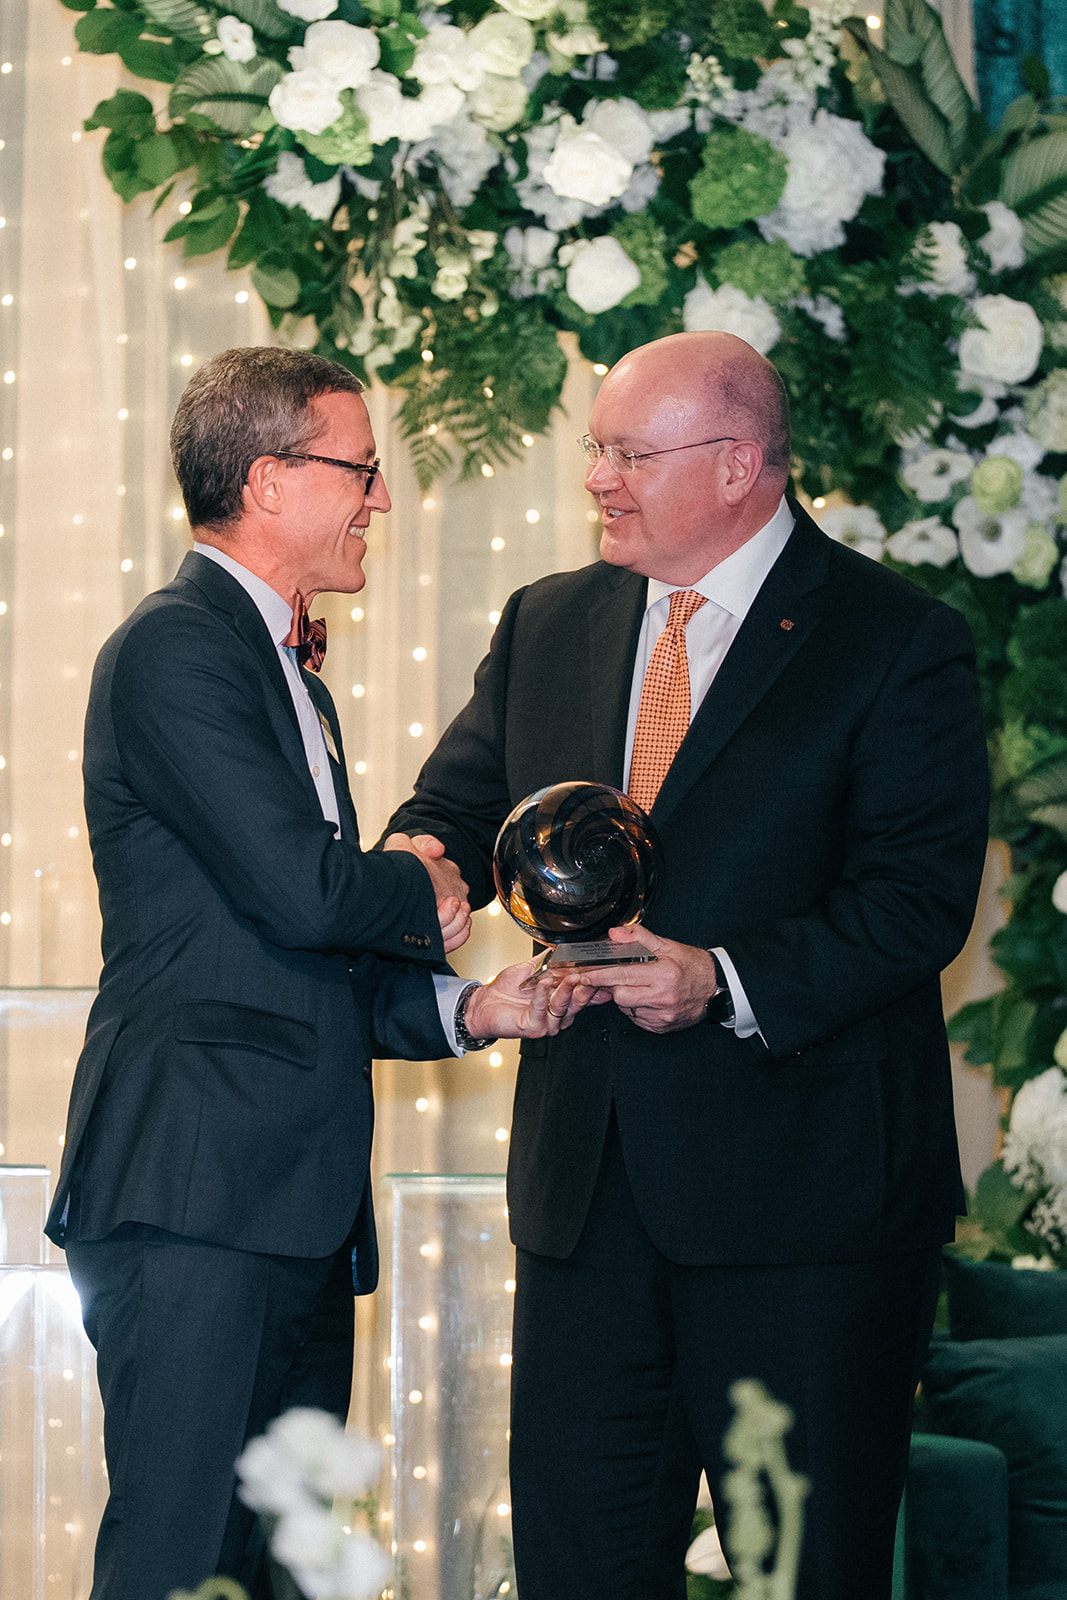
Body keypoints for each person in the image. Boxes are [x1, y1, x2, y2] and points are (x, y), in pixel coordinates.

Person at [383, 330, 991, 1599]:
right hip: (585, 1202)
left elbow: (914, 900)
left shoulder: (894, 639)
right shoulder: (547, 619)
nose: (596, 478)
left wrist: (720, 977)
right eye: (593, 448)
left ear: (737, 465)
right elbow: (450, 802)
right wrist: (416, 866)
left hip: (805, 1217)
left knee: (801, 1573)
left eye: (626, 453)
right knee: (576, 1568)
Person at [44, 346, 586, 1600]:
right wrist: (430, 880)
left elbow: (285, 955)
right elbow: (305, 891)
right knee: (182, 1563)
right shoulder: (176, 650)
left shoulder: (286, 671)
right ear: (270, 479)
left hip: (284, 1200)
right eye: (361, 468)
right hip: (195, 1192)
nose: (380, 500)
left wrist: (472, 1006)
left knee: (289, 1568)